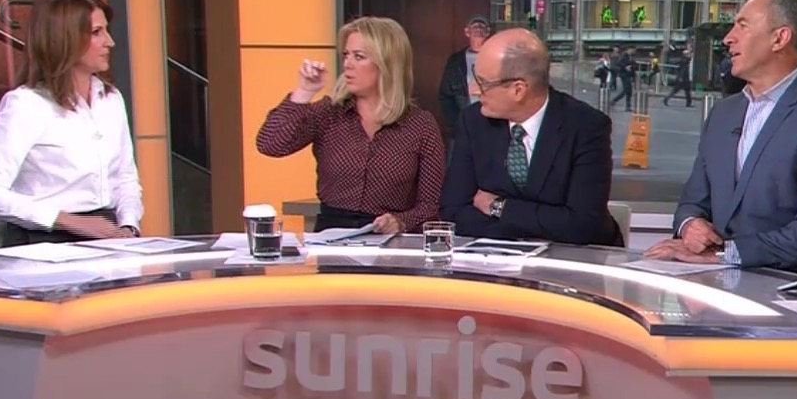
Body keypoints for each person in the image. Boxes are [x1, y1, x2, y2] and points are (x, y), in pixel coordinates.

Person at [646, 0, 797, 274]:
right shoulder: (723, 114)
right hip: (719, 281)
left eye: (743, 25)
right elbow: (692, 202)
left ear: (780, 38)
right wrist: (690, 225)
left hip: (794, 285)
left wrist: (724, 254)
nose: (728, 38)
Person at [0, 0, 143, 247]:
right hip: (44, 237)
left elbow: (125, 178)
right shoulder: (26, 104)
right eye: (97, 32)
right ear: (65, 39)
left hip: (108, 232)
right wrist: (68, 221)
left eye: (106, 30)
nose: (110, 42)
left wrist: (129, 225)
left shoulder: (111, 99)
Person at [256, 16, 445, 234]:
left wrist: (400, 221)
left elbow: (429, 206)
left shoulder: (420, 125)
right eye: (346, 55)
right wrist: (304, 92)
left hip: (389, 241)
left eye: (359, 56)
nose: (347, 64)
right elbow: (270, 144)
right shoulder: (328, 113)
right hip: (330, 237)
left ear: (387, 63)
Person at [439, 28, 623, 247]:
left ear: (518, 89)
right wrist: (535, 232)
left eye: (483, 83)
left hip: (578, 257)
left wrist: (498, 206)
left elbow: (582, 225)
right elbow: (453, 211)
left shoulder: (586, 126)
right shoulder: (473, 122)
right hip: (497, 255)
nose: (474, 90)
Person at [438, 16, 490, 151]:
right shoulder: (455, 61)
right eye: (475, 26)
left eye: (482, 26)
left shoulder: (496, 57)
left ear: (488, 32)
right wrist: (457, 122)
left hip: (491, 121)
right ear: (467, 32)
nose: (478, 30)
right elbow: (445, 95)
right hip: (464, 122)